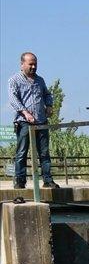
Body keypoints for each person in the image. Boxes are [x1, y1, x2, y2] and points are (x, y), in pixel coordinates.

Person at [7, 52, 59, 189]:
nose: (33, 67)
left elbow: (47, 94)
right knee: (22, 152)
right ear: (22, 64)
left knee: (44, 152)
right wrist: (25, 112)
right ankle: (20, 181)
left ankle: (48, 180)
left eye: (35, 64)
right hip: (23, 121)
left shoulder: (40, 80)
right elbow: (13, 99)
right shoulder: (14, 80)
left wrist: (49, 105)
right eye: (30, 64)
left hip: (41, 121)